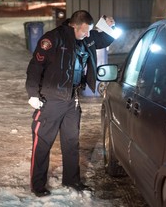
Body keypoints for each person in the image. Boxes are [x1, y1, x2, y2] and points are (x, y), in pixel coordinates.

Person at [25, 10, 115, 197]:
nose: (88, 34)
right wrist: (33, 94)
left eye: (89, 31)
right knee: (42, 143)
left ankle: (72, 180)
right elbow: (35, 66)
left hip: (72, 100)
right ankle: (38, 185)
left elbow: (104, 40)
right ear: (74, 26)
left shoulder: (85, 39)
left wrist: (108, 26)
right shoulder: (53, 39)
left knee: (71, 142)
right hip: (51, 100)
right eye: (85, 30)